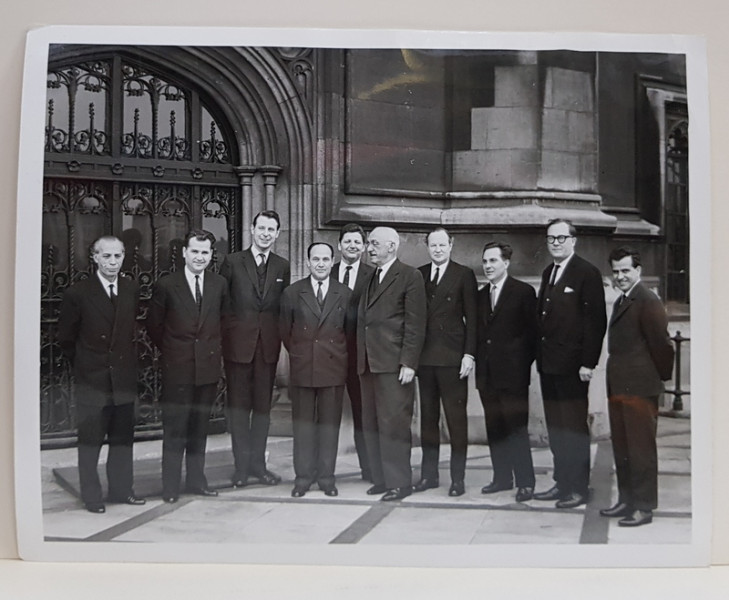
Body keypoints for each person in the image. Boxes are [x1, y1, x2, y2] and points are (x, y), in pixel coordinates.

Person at [57, 236, 145, 513]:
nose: (112, 262)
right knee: (90, 442)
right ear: (94, 257)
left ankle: (122, 490)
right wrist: (86, 366)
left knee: (122, 441)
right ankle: (91, 496)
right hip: (92, 380)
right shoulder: (78, 293)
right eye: (106, 256)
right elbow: (66, 340)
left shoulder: (131, 289)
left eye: (117, 256)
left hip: (122, 378)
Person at [147, 229, 230, 503]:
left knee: (199, 429)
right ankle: (170, 486)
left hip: (206, 370)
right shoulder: (166, 285)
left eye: (205, 252)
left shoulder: (219, 284)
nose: (199, 257)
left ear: (211, 255)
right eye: (194, 251)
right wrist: (176, 352)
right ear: (184, 253)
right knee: (175, 430)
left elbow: (224, 323)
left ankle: (197, 481)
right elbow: (155, 327)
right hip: (177, 370)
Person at [534, 218, 607, 509]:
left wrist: (588, 363)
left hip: (574, 367)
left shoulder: (587, 273)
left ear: (573, 241)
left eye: (561, 238)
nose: (555, 243)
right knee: (556, 428)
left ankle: (578, 487)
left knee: (574, 428)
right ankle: (562, 482)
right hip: (548, 365)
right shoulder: (548, 272)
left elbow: (595, 323)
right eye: (551, 238)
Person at [599, 246, 674, 527]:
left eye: (626, 270)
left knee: (641, 449)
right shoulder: (623, 300)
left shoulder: (647, 300)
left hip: (640, 389)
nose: (620, 276)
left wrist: (657, 380)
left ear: (638, 271)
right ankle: (626, 500)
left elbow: (663, 346)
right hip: (620, 386)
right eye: (616, 271)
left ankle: (643, 507)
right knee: (623, 447)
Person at [219, 210, 290, 488]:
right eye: (261, 227)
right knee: (238, 410)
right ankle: (240, 468)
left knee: (262, 411)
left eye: (271, 229)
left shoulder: (282, 266)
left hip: (267, 350)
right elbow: (223, 307)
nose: (265, 233)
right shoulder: (233, 262)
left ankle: (258, 466)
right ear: (252, 228)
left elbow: (281, 308)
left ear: (278, 233)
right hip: (238, 349)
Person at [358, 226, 427, 501]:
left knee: (394, 424)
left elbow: (415, 322)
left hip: (394, 365)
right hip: (369, 363)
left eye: (375, 243)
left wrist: (409, 362)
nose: (369, 248)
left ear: (392, 246)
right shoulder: (370, 276)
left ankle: (400, 482)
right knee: (373, 423)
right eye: (369, 243)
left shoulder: (410, 276)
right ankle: (382, 478)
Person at [280, 242, 353, 498]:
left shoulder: (344, 293)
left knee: (328, 426)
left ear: (332, 261)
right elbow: (285, 332)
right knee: (303, 426)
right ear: (308, 262)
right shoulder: (292, 293)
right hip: (303, 367)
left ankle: (326, 477)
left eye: (325, 259)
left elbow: (349, 332)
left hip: (333, 368)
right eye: (315, 259)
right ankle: (303, 477)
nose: (320, 263)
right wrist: (303, 353)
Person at [413, 227, 477, 497]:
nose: (437, 249)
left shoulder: (464, 274)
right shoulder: (419, 274)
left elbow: (473, 319)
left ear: (451, 245)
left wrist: (469, 354)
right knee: (428, 421)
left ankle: (457, 478)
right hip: (425, 359)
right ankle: (429, 476)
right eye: (433, 245)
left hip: (452, 359)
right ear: (427, 247)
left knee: (456, 421)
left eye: (442, 245)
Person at [476, 242, 537, 503]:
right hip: (487, 375)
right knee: (495, 427)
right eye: (485, 261)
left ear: (506, 263)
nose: (488, 266)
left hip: (512, 376)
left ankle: (525, 482)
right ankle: (502, 478)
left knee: (516, 428)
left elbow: (533, 335)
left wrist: (519, 365)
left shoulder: (523, 292)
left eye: (493, 261)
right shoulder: (480, 295)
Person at [332, 223, 375, 482]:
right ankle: (323, 470)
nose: (352, 246)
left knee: (363, 413)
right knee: (326, 414)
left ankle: (368, 468)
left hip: (360, 357)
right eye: (347, 241)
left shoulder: (372, 275)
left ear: (364, 247)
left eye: (357, 242)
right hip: (331, 355)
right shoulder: (327, 271)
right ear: (339, 245)